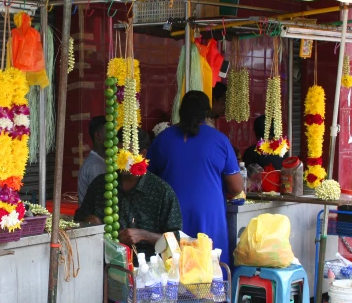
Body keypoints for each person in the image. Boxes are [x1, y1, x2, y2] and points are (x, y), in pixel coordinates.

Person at [147, 91, 244, 266]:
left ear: (180, 111)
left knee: (174, 269)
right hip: (208, 215)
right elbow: (237, 187)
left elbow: (149, 180)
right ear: (206, 113)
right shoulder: (219, 140)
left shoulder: (162, 140)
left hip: (172, 216)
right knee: (210, 268)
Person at [75, 127, 182, 257]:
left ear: (142, 154)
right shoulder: (100, 185)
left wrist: (144, 235)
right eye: (118, 154)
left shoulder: (161, 192)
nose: (121, 160)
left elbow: (176, 238)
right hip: (103, 262)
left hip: (146, 266)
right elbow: (78, 220)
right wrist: (88, 222)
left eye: (127, 154)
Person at [77, 115, 107, 204]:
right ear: (98, 135)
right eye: (109, 132)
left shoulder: (100, 161)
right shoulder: (95, 166)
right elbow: (101, 201)